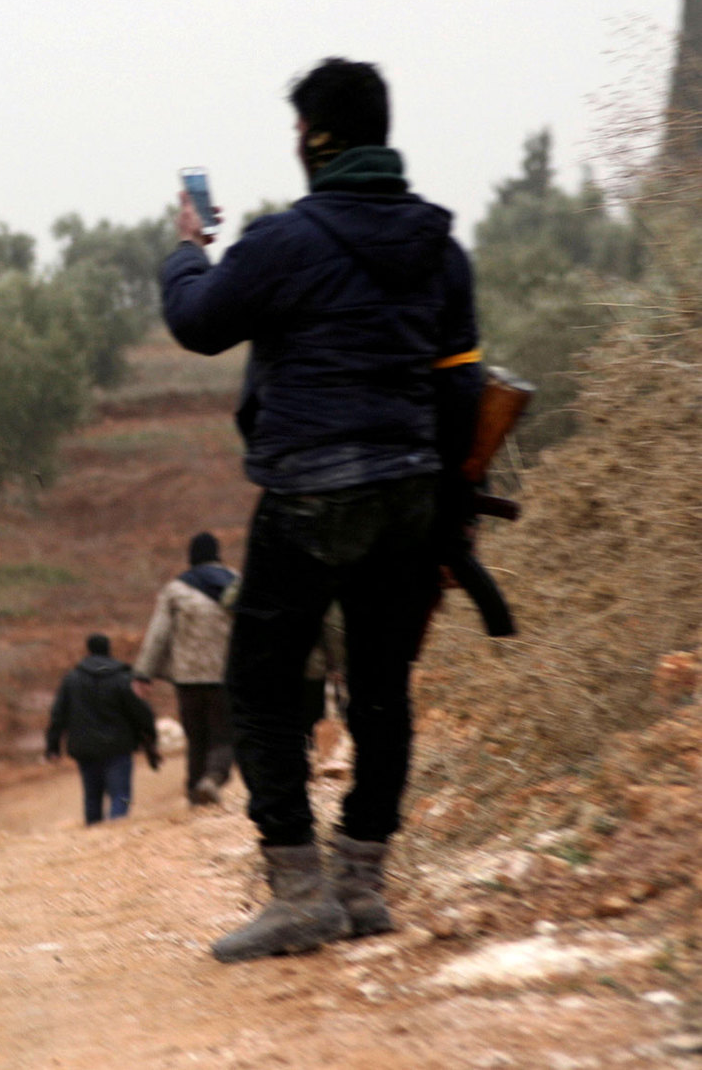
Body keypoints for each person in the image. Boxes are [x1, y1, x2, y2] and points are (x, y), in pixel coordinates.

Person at [161, 58, 482, 963]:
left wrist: (188, 248)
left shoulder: (282, 241)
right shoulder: (439, 248)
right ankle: (363, 884)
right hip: (412, 491)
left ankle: (299, 892)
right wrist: (443, 510)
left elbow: (198, 323)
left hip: (311, 491)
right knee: (381, 688)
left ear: (314, 138)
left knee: (260, 683)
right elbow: (462, 389)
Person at [134, 532, 237, 806]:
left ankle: (195, 792)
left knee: (197, 737)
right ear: (217, 553)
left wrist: (143, 673)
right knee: (224, 734)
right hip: (224, 677)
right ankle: (213, 779)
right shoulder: (235, 583)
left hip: (188, 680)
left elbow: (158, 635)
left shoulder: (176, 590)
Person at [45, 634, 162, 826]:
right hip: (118, 747)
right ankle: (115, 830)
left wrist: (53, 746)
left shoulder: (72, 679)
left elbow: (58, 714)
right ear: (109, 650)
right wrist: (150, 737)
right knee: (121, 794)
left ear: (88, 650)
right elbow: (141, 712)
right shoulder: (123, 678)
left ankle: (94, 836)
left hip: (85, 748)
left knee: (92, 795)